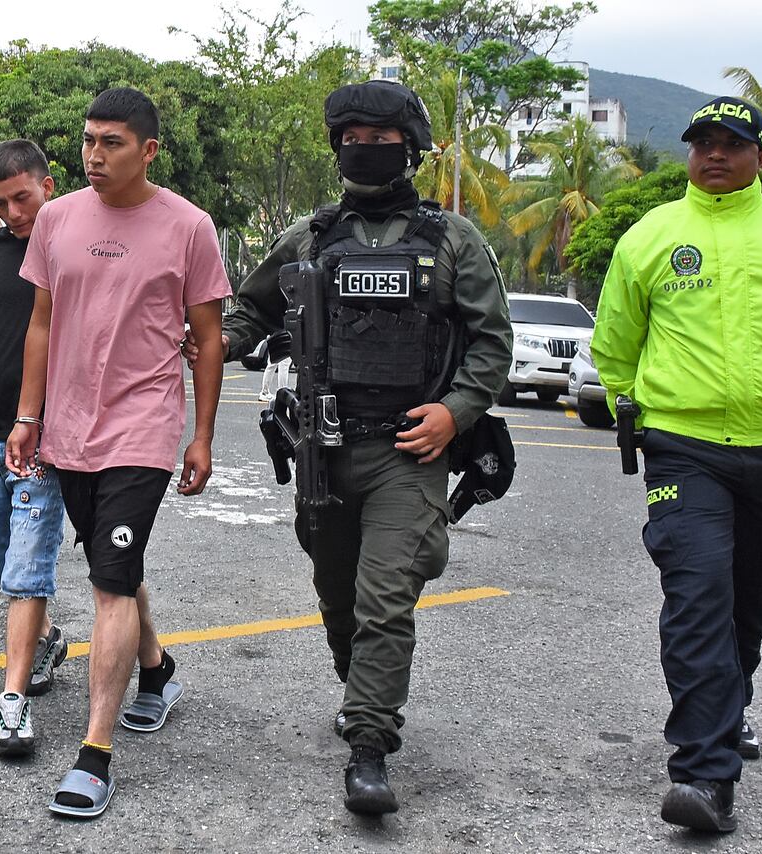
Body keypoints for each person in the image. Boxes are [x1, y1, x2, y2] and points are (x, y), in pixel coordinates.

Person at [192, 80, 512, 815]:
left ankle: (370, 746)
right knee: (337, 593)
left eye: (381, 138)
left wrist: (455, 413)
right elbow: (250, 308)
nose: (366, 150)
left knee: (385, 600)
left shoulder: (452, 241)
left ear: (412, 147)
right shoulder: (310, 237)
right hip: (322, 449)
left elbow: (492, 344)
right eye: (353, 138)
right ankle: (355, 687)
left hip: (412, 450)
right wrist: (219, 343)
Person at [590, 96, 762, 834]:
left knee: (752, 593)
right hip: (683, 445)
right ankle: (704, 776)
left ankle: (729, 708)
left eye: (732, 143)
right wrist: (634, 407)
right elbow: (616, 341)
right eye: (702, 142)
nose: (714, 154)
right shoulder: (652, 236)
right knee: (698, 593)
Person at [6, 87, 229, 818]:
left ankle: (94, 755)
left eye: (112, 143)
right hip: (69, 427)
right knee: (115, 564)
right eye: (88, 140)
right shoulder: (58, 219)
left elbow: (210, 338)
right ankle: (158, 671)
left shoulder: (189, 227)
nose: (94, 155)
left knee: (108, 580)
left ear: (149, 151)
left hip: (143, 426)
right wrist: (28, 416)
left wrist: (199, 434)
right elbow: (40, 324)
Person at [0, 139, 69, 757]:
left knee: (27, 572)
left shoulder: (74, 247)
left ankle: (13, 699)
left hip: (45, 432)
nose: (12, 213)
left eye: (21, 198)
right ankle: (48, 639)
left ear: (47, 186)